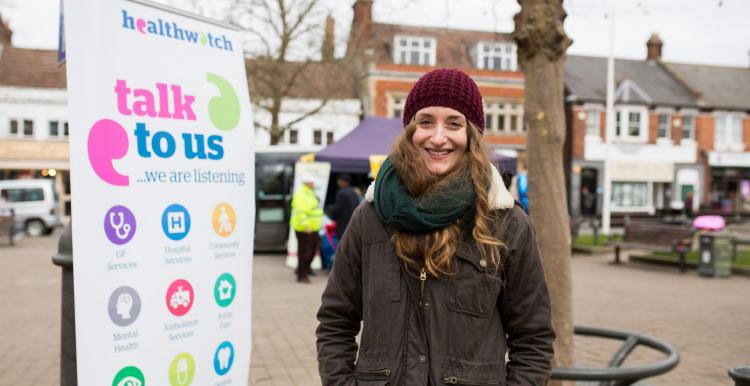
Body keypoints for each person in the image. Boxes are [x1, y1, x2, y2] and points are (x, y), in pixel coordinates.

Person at [316, 68, 555, 385]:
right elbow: (336, 319)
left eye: (453, 123)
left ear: (470, 134)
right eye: (426, 121)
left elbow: (533, 338)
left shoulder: (507, 223)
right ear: (410, 130)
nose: (438, 137)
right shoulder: (370, 217)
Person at [290, 179, 323, 283]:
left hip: (313, 228)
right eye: (312, 182)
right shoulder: (301, 194)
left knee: (312, 250)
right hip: (305, 229)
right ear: (306, 183)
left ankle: (305, 270)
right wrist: (305, 225)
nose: (313, 184)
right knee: (305, 252)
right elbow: (300, 212)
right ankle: (301, 275)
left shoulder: (309, 193)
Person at [329, 174, 361, 242]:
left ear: (343, 182)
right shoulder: (354, 192)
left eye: (339, 181)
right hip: (353, 223)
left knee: (342, 245)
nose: (338, 183)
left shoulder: (340, 192)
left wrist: (330, 210)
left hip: (342, 224)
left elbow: (338, 209)